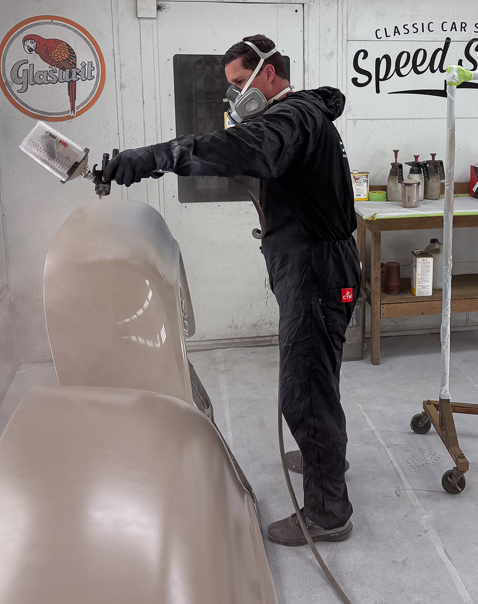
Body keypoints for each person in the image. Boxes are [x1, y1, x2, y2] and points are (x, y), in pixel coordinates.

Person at [100, 34, 360, 546]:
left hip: (316, 270)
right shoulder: (301, 116)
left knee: (305, 391)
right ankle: (326, 457)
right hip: (317, 264)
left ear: (269, 72)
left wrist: (156, 156)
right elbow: (249, 152)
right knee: (318, 374)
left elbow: (247, 146)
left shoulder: (293, 117)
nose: (237, 95)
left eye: (241, 82)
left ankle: (329, 513)